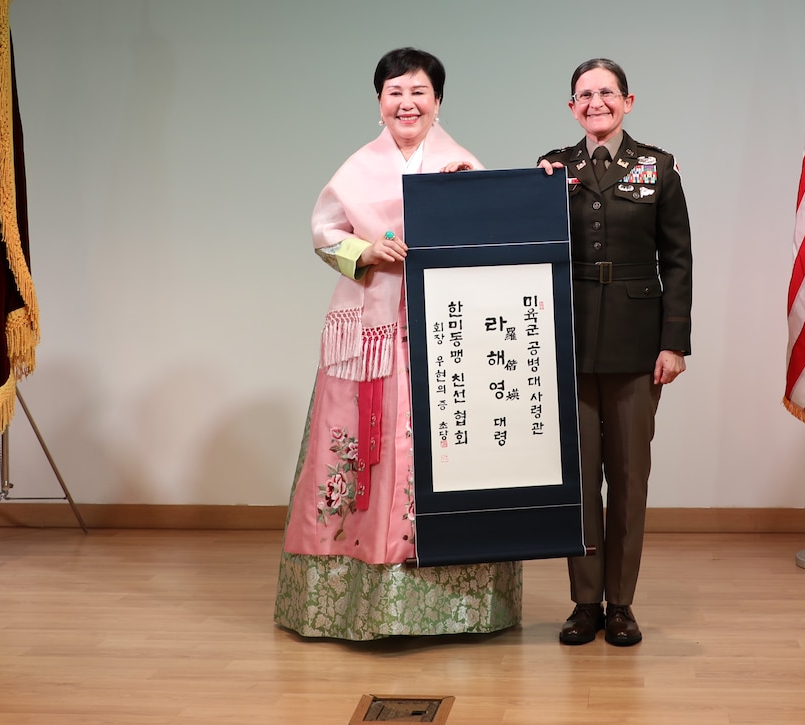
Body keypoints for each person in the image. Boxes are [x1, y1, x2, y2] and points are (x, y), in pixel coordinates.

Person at [275, 48, 522, 640]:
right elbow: (325, 235)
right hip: (367, 342)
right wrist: (366, 252)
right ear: (379, 101)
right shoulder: (356, 168)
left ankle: (455, 606)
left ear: (438, 101)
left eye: (418, 92)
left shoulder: (461, 166)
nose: (406, 103)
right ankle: (348, 605)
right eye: (394, 92)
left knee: (440, 452)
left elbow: (487, 241)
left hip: (442, 337)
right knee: (359, 453)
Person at [538, 58, 692, 646]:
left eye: (606, 92)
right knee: (578, 480)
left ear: (628, 101)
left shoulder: (659, 168)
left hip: (636, 344)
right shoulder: (554, 169)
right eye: (584, 94)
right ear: (572, 107)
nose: (595, 101)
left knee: (629, 478)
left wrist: (673, 343)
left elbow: (678, 259)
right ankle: (584, 603)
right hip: (569, 342)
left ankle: (621, 603)